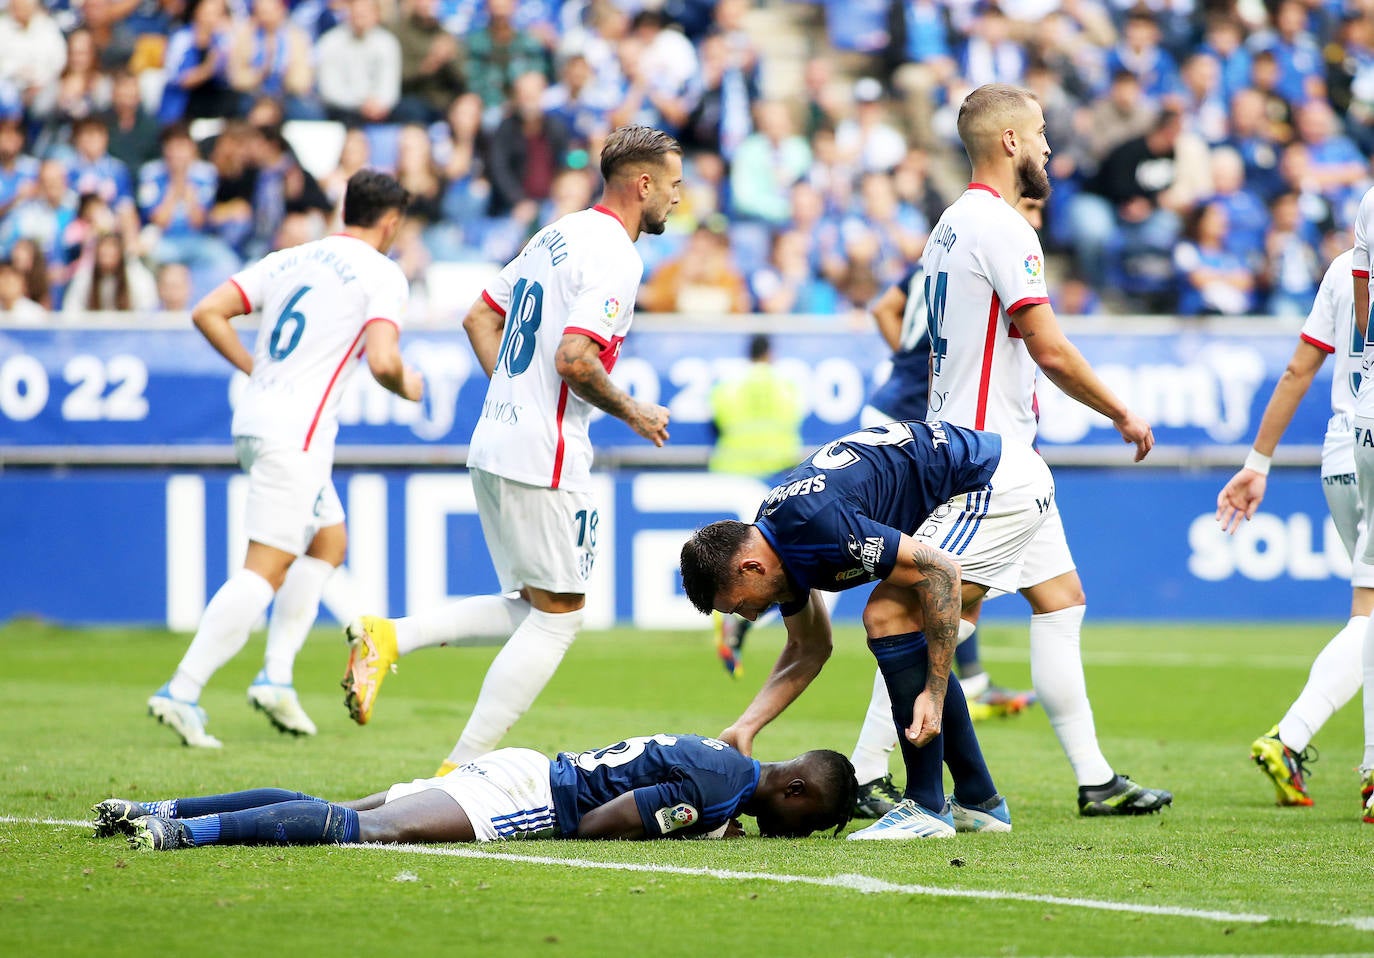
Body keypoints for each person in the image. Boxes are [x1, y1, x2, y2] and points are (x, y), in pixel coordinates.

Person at [342, 126, 679, 775]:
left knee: (533, 605)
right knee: (560, 618)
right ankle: (459, 768)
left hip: (496, 437)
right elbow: (574, 358)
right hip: (544, 453)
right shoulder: (615, 255)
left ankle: (391, 636)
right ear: (643, 185)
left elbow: (479, 316)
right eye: (672, 185)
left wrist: (514, 395)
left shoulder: (559, 233)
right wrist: (633, 409)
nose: (677, 198)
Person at [920, 83, 1171, 816]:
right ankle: (873, 771)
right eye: (1039, 134)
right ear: (1008, 143)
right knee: (932, 618)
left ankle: (1095, 779)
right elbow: (1051, 350)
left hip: (1002, 452)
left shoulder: (950, 224)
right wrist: (1121, 410)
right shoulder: (1002, 228)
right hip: (984, 460)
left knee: (1061, 603)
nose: (1048, 147)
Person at [147, 170, 425, 748]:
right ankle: (182, 689)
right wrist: (409, 384)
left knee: (328, 541)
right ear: (391, 222)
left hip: (258, 418)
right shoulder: (382, 274)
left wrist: (257, 371)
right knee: (265, 567)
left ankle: (275, 676)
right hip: (295, 434)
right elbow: (382, 359)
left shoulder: (292, 257)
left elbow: (207, 311)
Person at [680, 418, 1055, 839]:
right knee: (894, 615)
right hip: (975, 480)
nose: (749, 617)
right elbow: (809, 647)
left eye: (740, 605)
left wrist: (933, 694)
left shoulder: (816, 526)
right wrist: (746, 726)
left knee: (889, 615)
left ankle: (927, 807)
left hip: (997, 482)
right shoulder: (776, 541)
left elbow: (941, 571)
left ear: (750, 567)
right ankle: (978, 801)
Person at [93, 733, 858, 850]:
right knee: (373, 832)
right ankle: (182, 834)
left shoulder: (722, 758)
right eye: (812, 820)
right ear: (794, 792)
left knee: (355, 807)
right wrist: (690, 830)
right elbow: (600, 824)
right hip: (532, 793)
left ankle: (155, 809)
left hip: (519, 764)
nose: (798, 834)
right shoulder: (722, 794)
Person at [1216, 245, 1366, 808]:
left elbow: (1298, 368)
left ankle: (1319, 751)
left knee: (1369, 612)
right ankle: (1292, 735)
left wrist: (1257, 462)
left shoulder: (1341, 267)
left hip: (1339, 453)